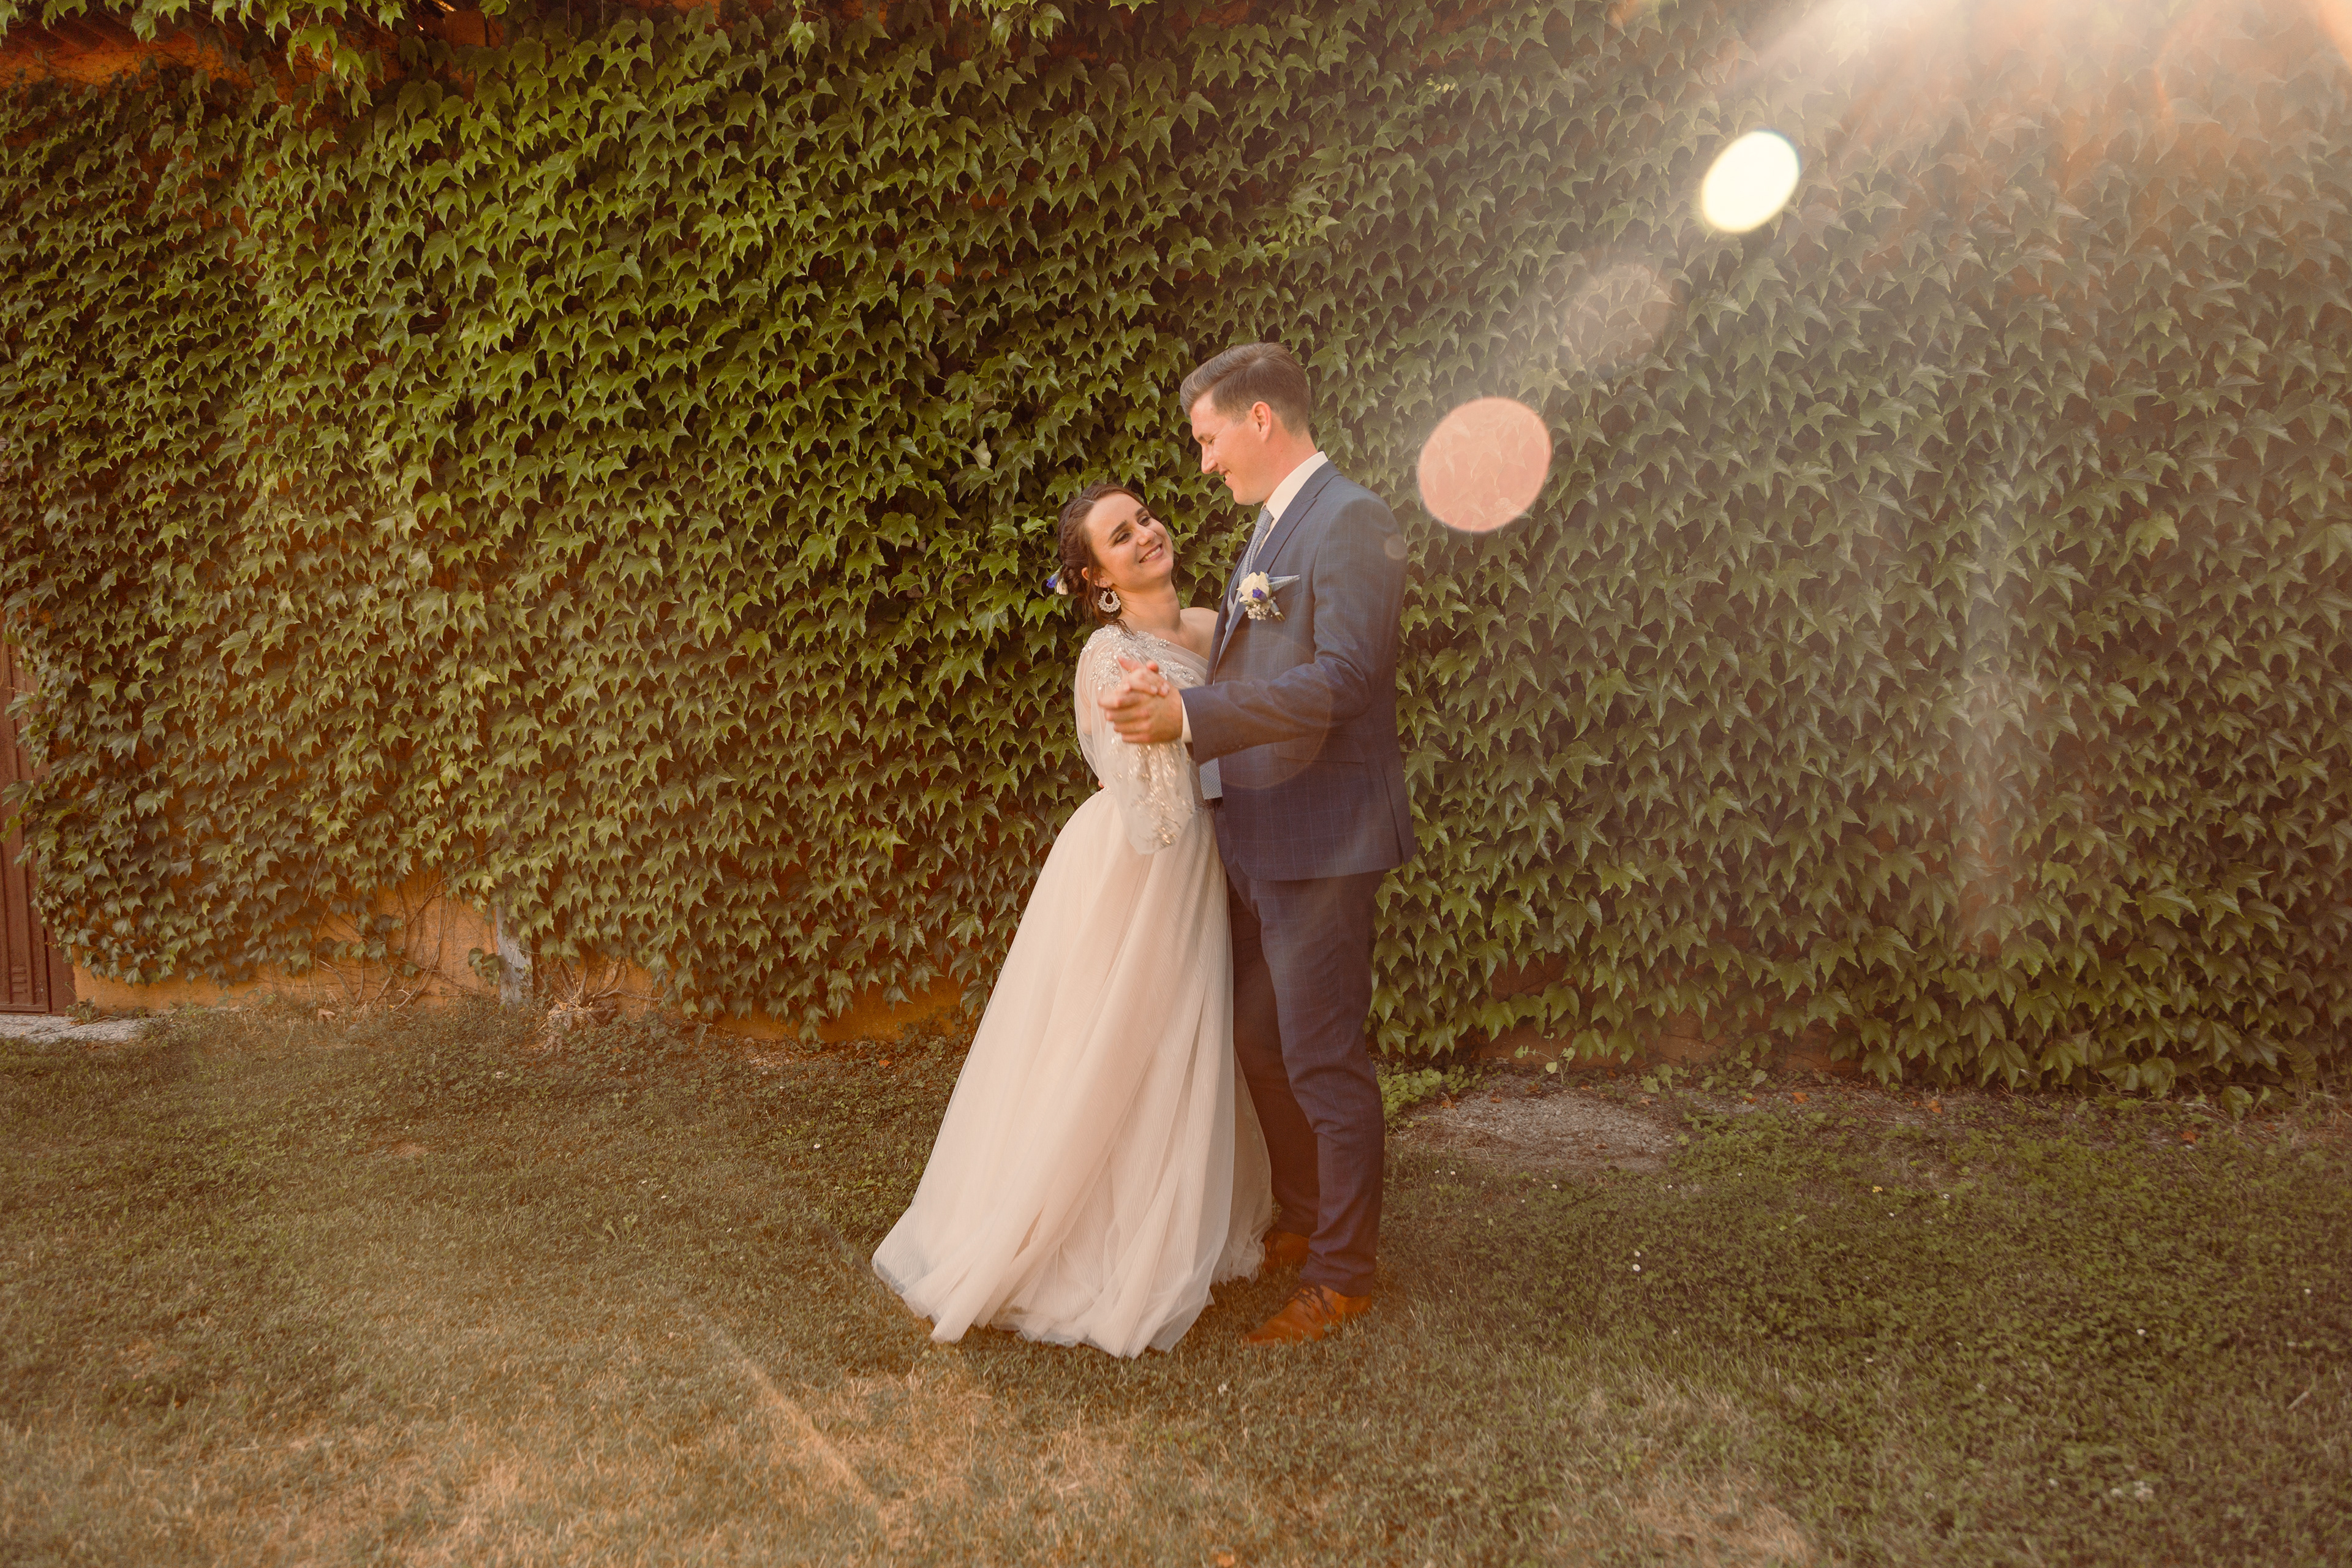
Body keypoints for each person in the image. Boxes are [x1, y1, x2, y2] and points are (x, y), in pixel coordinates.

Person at [871, 482, 1273, 1358]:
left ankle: (1175, 1199)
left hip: (1206, 859)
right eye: (1121, 536)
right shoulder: (1106, 656)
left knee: (1185, 1033)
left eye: (1145, 519)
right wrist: (1163, 731)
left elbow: (1257, 724)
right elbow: (1144, 798)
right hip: (1135, 865)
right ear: (1098, 579)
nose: (1146, 535)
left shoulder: (1215, 628)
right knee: (1115, 1032)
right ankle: (1082, 1231)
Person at [1101, 342, 1415, 1346]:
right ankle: (1308, 1216)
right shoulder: (1275, 523)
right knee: (1260, 1042)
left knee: (1322, 1057)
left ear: (1260, 419)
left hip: (1323, 840)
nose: (1204, 463)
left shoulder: (1349, 519)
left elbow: (1345, 678)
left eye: (1208, 439)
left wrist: (1193, 720)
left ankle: (1344, 1274)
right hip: (1264, 837)